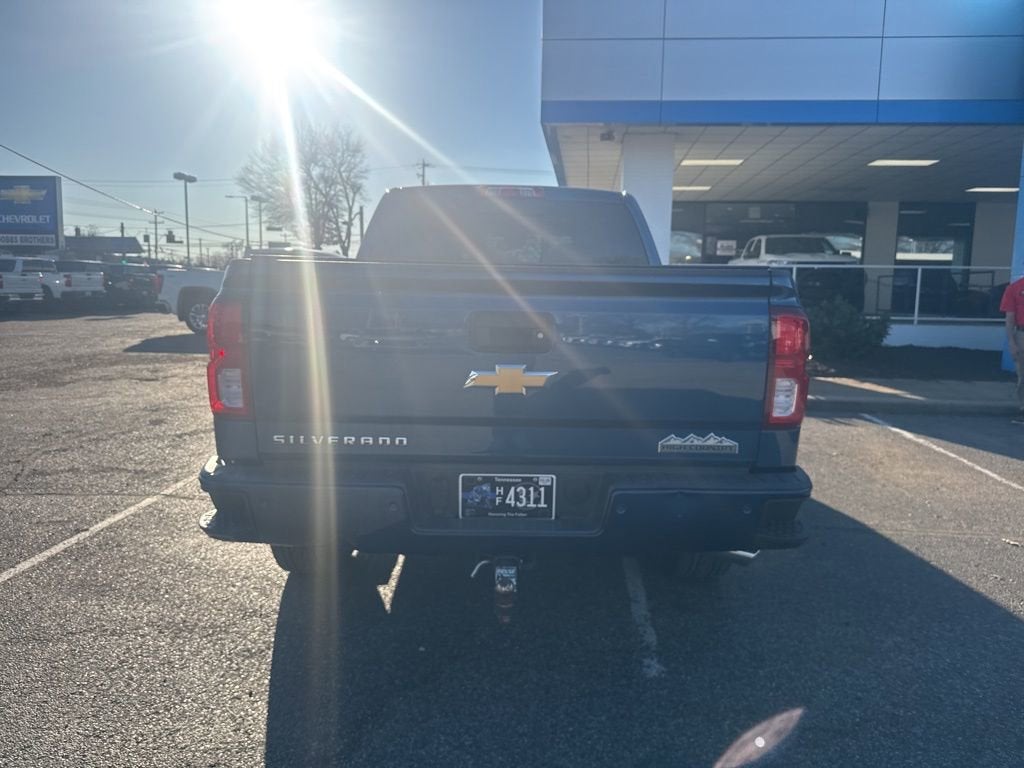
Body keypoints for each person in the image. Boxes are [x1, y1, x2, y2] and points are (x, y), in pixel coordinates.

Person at [1000, 274, 1024, 424]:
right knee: (1023, 374)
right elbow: (1009, 319)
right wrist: (1011, 342)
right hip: (1022, 335)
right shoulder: (1014, 288)